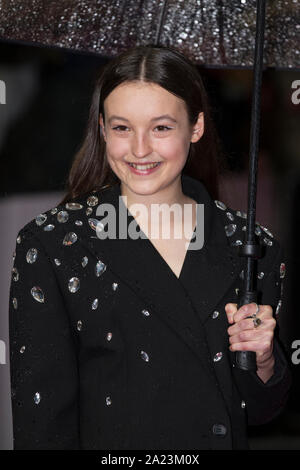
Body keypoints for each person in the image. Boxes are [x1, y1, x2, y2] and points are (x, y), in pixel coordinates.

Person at [8, 44, 292, 450]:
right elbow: (41, 420)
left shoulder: (250, 246)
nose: (140, 150)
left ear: (195, 127)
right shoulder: (54, 245)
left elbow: (263, 410)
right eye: (122, 128)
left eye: (161, 128)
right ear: (103, 129)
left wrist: (263, 360)